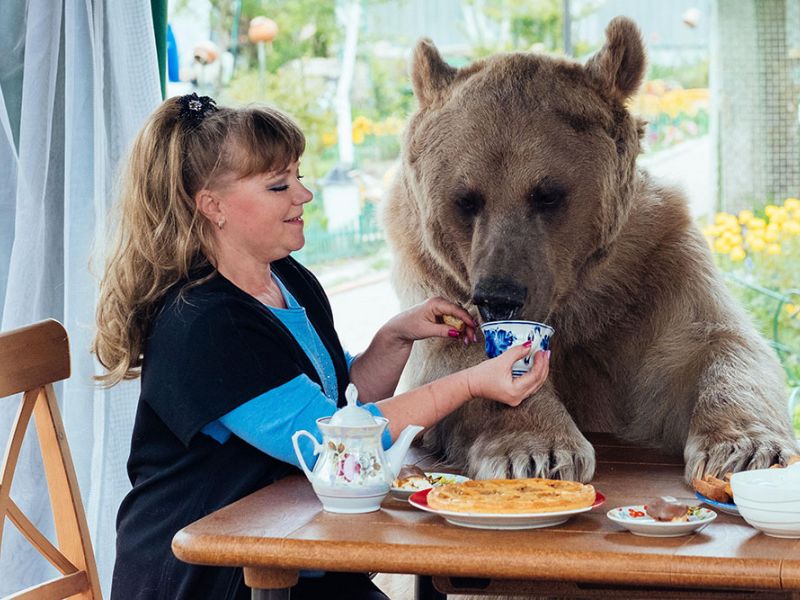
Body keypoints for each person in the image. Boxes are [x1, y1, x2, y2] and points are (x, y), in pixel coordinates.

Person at [93, 93, 551, 600]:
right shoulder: (203, 324)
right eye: (279, 185)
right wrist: (470, 382)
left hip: (286, 542)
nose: (303, 195)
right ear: (213, 206)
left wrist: (396, 336)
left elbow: (340, 400)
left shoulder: (287, 278)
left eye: (298, 176)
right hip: (212, 571)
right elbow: (335, 445)